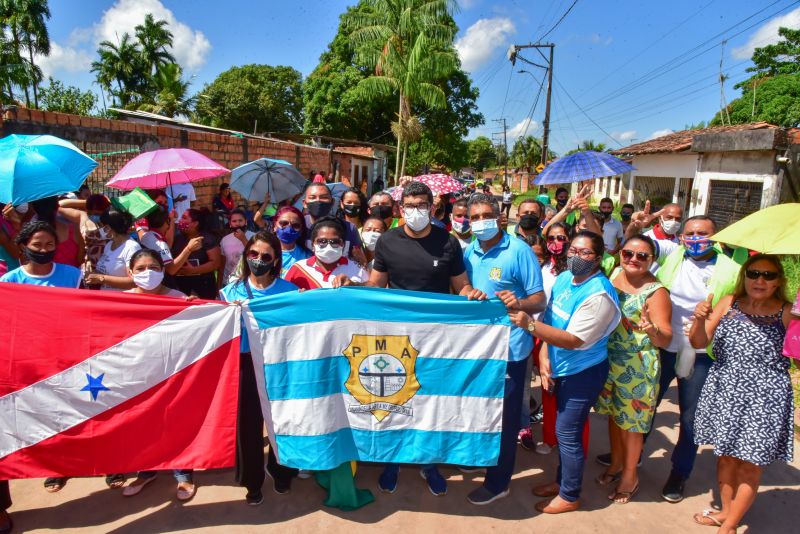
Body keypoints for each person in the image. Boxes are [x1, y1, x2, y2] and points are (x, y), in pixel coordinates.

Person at [596, 214, 742, 503]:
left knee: (689, 418)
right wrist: (635, 226)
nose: (696, 239)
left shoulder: (732, 269)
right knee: (641, 411)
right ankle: (629, 459)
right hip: (663, 347)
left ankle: (679, 472)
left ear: (715, 237)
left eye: (703, 234)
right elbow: (635, 248)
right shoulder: (674, 256)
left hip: (701, 351)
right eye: (690, 234)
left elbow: (741, 300)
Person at [356, 181, 486, 497]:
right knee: (396, 399)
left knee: (430, 401)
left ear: (432, 207)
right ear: (401, 210)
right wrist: (352, 288)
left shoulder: (448, 242)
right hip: (397, 337)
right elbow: (377, 285)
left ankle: (429, 462)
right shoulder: (387, 241)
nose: (416, 211)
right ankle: (394, 460)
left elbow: (461, 285)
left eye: (422, 205)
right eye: (410, 206)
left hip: (437, 339)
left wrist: (472, 293)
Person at [509, 230, 621, 514]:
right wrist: (544, 353)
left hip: (583, 372)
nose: (576, 257)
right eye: (573, 250)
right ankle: (561, 482)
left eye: (585, 253)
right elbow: (551, 319)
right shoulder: (563, 279)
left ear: (598, 258)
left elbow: (573, 340)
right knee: (563, 431)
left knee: (567, 433)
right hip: (559, 366)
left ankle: (570, 495)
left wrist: (528, 325)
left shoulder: (599, 295)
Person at [688, 255, 794, 533]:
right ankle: (725, 512)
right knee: (726, 456)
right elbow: (699, 341)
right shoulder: (728, 302)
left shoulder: (787, 311)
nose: (759, 280)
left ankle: (730, 526)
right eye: (754, 272)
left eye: (768, 275)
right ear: (744, 275)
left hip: (765, 396)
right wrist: (699, 320)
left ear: (778, 282)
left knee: (751, 463)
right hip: (724, 388)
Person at [462, 193, 546, 505]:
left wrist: (518, 302)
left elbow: (539, 300)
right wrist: (467, 291)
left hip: (510, 350)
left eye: (486, 215)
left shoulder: (519, 251)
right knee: (479, 412)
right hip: (477, 349)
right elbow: (460, 290)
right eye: (474, 217)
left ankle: (499, 482)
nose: (480, 221)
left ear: (499, 218)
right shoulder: (468, 251)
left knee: (506, 419)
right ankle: (481, 459)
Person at [0, 221, 82, 495]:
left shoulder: (72, 275)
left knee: (77, 410)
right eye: (37, 245)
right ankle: (56, 468)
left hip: (69, 355)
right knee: (45, 415)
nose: (44, 250)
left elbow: (87, 312)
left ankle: (89, 461)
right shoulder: (9, 282)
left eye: (49, 245)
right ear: (23, 247)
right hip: (32, 360)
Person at [219, 232, 300, 504]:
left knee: (282, 421)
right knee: (249, 426)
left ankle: (281, 471)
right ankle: (252, 481)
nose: (258, 260)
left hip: (279, 364)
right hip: (245, 365)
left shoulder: (289, 292)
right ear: (245, 256)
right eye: (253, 254)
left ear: (275, 259)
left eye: (266, 256)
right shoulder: (229, 293)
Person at [594, 235, 673, 504]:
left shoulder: (657, 292)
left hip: (638, 364)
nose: (634, 260)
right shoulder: (615, 273)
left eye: (642, 256)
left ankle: (630, 476)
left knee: (633, 424)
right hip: (609, 359)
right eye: (628, 253)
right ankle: (616, 464)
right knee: (615, 417)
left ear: (652, 260)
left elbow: (666, 339)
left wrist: (652, 330)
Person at [121, 249, 196, 500]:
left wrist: (195, 310)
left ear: (163, 270)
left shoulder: (178, 297)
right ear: (129, 273)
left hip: (171, 372)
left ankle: (182, 472)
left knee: (174, 420)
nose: (147, 273)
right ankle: (147, 469)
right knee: (143, 423)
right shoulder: (121, 301)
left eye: (153, 267)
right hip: (138, 375)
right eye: (141, 268)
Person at [284, 217, 368, 290]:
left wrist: (354, 285)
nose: (328, 246)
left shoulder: (357, 270)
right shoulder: (298, 269)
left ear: (343, 244)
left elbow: (369, 294)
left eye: (334, 242)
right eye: (322, 241)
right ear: (313, 244)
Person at [302, 183, 366, 265]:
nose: (318, 201)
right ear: (304, 203)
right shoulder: (298, 226)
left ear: (332, 202)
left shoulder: (349, 228)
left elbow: (361, 262)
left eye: (324, 197)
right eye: (312, 197)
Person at [170, 209, 222, 299]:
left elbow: (215, 263)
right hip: (181, 287)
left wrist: (193, 270)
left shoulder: (207, 239)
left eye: (184, 218)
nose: (180, 221)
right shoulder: (177, 239)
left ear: (195, 223)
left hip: (204, 286)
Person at [85, 208, 140, 291]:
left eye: (101, 226)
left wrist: (102, 278)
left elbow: (134, 282)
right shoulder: (109, 244)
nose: (100, 229)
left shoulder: (131, 247)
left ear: (107, 228)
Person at [139, 206, 200, 277]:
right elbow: (171, 269)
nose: (168, 226)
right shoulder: (159, 243)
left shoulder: (147, 236)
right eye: (168, 221)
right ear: (164, 222)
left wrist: (172, 219)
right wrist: (188, 249)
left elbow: (169, 244)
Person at [30, 196, 84, 268]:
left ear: (34, 207)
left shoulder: (30, 233)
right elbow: (80, 259)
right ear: (57, 204)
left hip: (40, 278)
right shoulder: (75, 228)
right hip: (71, 277)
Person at [271, 206, 310, 277]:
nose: (289, 229)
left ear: (301, 230)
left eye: (295, 225)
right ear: (274, 226)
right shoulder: (262, 253)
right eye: (283, 223)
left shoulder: (308, 257)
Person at [219, 208, 255, 285]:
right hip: (229, 283)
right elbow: (222, 266)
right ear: (230, 224)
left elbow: (255, 255)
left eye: (240, 220)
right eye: (234, 221)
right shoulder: (225, 240)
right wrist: (219, 286)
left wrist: (243, 239)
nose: (237, 223)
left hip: (249, 281)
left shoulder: (254, 237)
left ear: (245, 222)